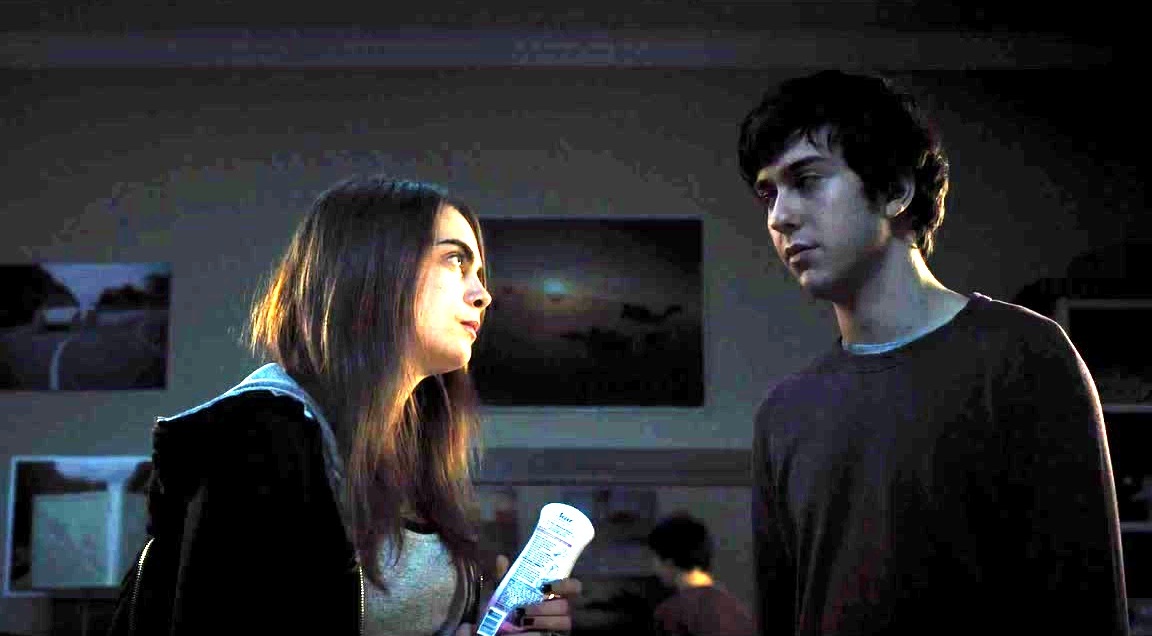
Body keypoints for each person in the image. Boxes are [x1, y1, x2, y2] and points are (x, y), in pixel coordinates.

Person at [736, 70, 1128, 635]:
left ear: (896, 189)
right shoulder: (784, 415)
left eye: (807, 180)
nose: (779, 216)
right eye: (768, 193)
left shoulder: (1023, 359)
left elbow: (1085, 605)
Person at [107, 176, 579, 636]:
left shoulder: (416, 451)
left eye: (479, 273)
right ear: (373, 267)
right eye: (455, 260)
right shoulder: (258, 434)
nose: (483, 294)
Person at [646, 514, 755, 636]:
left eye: (654, 559)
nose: (654, 567)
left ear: (668, 561)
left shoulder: (670, 614)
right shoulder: (735, 608)